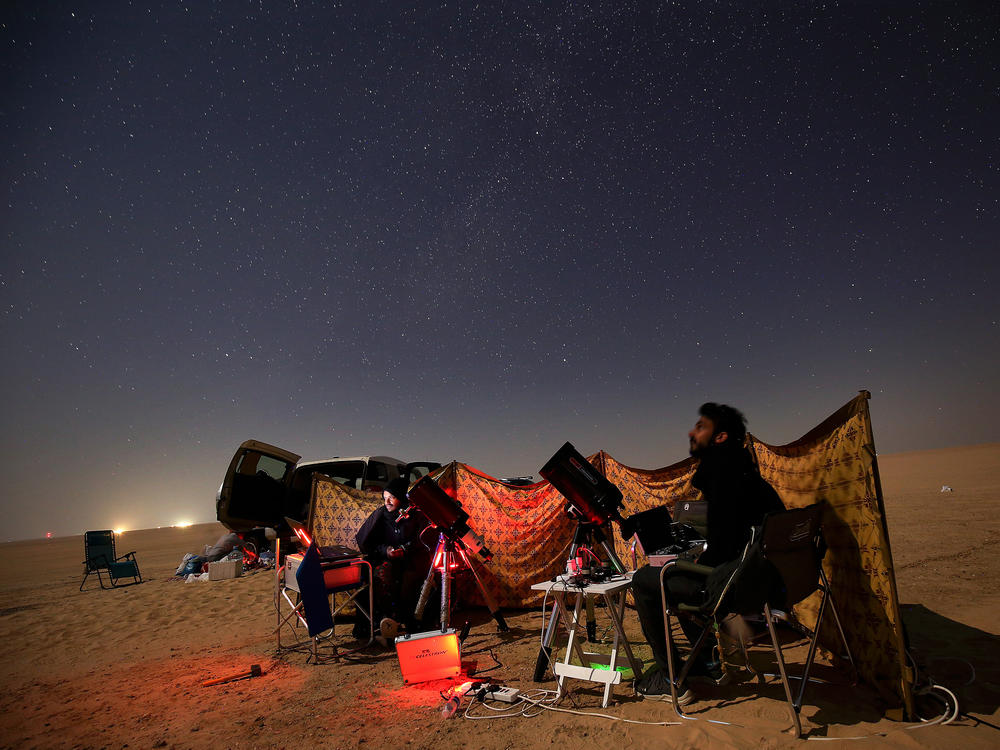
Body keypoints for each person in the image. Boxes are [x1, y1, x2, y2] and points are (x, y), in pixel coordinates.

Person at [631, 403, 785, 704]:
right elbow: (734, 534)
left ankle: (671, 677)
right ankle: (708, 665)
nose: (692, 431)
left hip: (734, 585)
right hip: (758, 580)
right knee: (679, 573)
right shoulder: (746, 474)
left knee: (644, 580)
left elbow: (723, 548)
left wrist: (693, 561)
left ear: (721, 437)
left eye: (701, 426)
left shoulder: (724, 476)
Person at [355, 477, 432, 642]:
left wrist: (405, 549)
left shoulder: (414, 515)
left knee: (409, 582)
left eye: (392, 497)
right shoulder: (381, 515)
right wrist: (387, 550)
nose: (387, 502)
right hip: (387, 558)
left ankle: (406, 622)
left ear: (402, 498)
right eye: (385, 498)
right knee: (382, 575)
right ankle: (386, 621)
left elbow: (424, 540)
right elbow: (369, 543)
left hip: (412, 560)